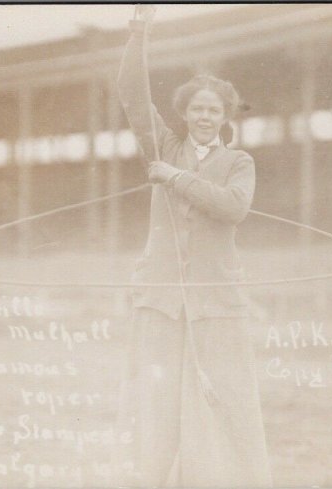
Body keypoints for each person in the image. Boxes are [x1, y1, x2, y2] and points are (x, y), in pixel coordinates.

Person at [112, 5, 272, 487]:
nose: (205, 117)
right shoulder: (163, 147)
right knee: (155, 407)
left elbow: (232, 208)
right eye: (197, 109)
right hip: (161, 303)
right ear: (184, 115)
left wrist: (176, 179)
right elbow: (132, 96)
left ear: (224, 117)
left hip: (216, 305)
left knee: (225, 404)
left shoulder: (239, 161)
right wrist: (140, 32)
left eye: (214, 110)